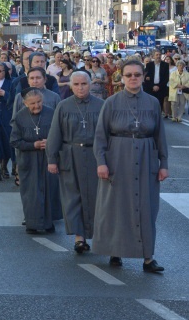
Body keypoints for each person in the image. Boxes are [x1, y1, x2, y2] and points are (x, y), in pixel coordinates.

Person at [93, 59, 169, 272]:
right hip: (117, 156)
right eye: (129, 75)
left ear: (143, 76)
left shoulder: (153, 102)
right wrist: (101, 163)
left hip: (146, 157)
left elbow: (160, 136)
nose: (133, 78)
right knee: (117, 206)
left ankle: (148, 257)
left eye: (137, 74)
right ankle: (115, 251)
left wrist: (163, 164)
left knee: (146, 207)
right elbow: (100, 137)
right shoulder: (111, 102)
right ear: (122, 77)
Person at [46, 72, 103, 252]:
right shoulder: (63, 106)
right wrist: (52, 159)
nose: (80, 87)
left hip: (95, 156)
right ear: (71, 86)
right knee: (73, 197)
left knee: (96, 197)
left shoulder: (102, 106)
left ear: (90, 84)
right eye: (76, 84)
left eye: (84, 84)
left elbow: (108, 135)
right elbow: (55, 134)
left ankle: (99, 237)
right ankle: (79, 237)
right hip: (70, 155)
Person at [10, 87, 61, 234]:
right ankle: (32, 223)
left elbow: (60, 134)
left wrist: (50, 142)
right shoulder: (20, 117)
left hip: (48, 158)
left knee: (49, 189)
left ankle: (48, 222)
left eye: (39, 102)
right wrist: (33, 145)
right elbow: (14, 141)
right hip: (28, 159)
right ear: (25, 104)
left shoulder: (51, 113)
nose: (36, 106)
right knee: (31, 192)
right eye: (32, 103)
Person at [143, 49, 170, 116]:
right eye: (157, 55)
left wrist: (159, 86)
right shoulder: (149, 65)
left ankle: (158, 118)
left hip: (160, 88)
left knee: (159, 103)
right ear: (153, 56)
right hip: (150, 88)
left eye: (159, 55)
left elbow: (166, 78)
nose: (158, 56)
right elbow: (146, 78)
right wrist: (152, 86)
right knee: (150, 103)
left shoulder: (165, 65)